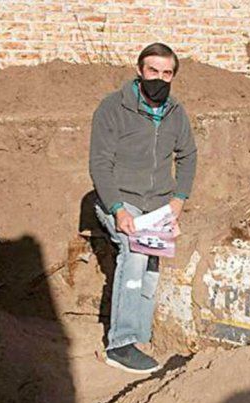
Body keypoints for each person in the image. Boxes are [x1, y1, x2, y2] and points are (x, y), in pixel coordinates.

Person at [89, 42, 197, 374]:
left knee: (151, 267)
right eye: (153, 71)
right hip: (120, 199)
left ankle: (140, 334)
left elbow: (188, 156)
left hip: (158, 205)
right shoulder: (113, 108)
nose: (159, 78)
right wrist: (118, 209)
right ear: (140, 70)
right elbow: (99, 164)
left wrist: (178, 199)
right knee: (133, 256)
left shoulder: (175, 112)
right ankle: (119, 344)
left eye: (167, 73)